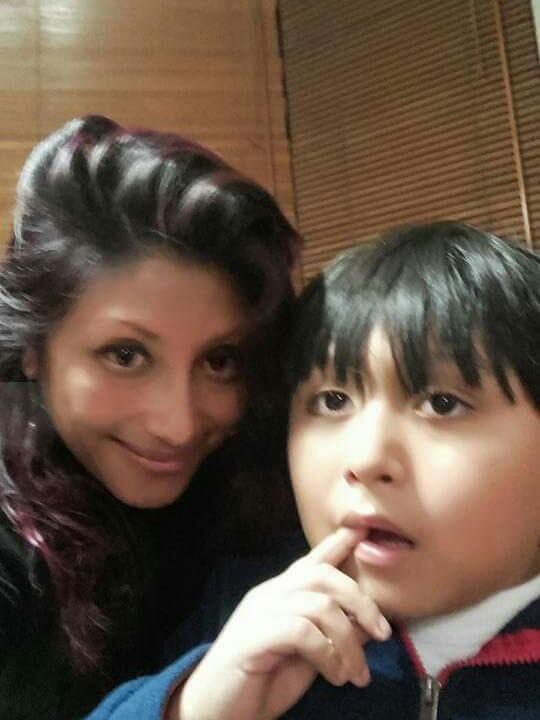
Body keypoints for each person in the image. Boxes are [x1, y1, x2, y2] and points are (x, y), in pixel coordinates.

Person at [87, 221, 540, 720]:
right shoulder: (245, 617)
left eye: (443, 404)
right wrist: (191, 705)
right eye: (333, 400)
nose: (365, 459)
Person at [0, 114, 300, 719]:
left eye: (219, 361)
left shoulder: (260, 479)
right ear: (33, 349)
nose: (178, 426)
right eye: (126, 355)